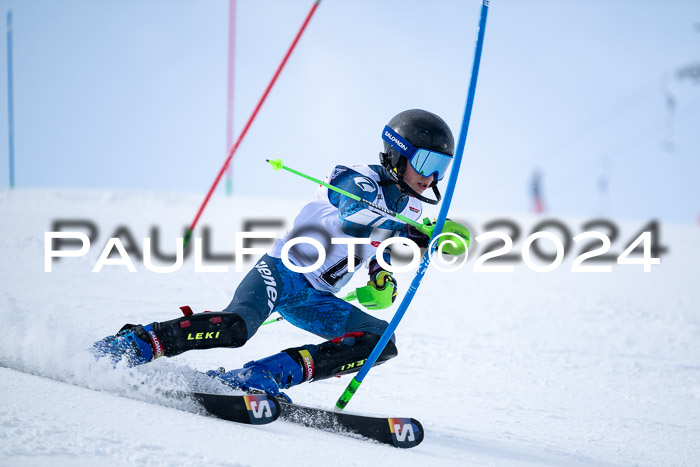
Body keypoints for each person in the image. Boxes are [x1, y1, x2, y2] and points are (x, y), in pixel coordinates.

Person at [93, 109, 471, 397]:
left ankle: (260, 376)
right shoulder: (357, 178)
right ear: (398, 155)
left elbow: (376, 247)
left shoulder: (413, 209)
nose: (432, 177)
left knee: (380, 343)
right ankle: (134, 343)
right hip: (281, 273)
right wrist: (419, 233)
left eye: (441, 167)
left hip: (317, 298)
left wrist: (380, 274)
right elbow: (355, 219)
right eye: (426, 163)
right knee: (236, 328)